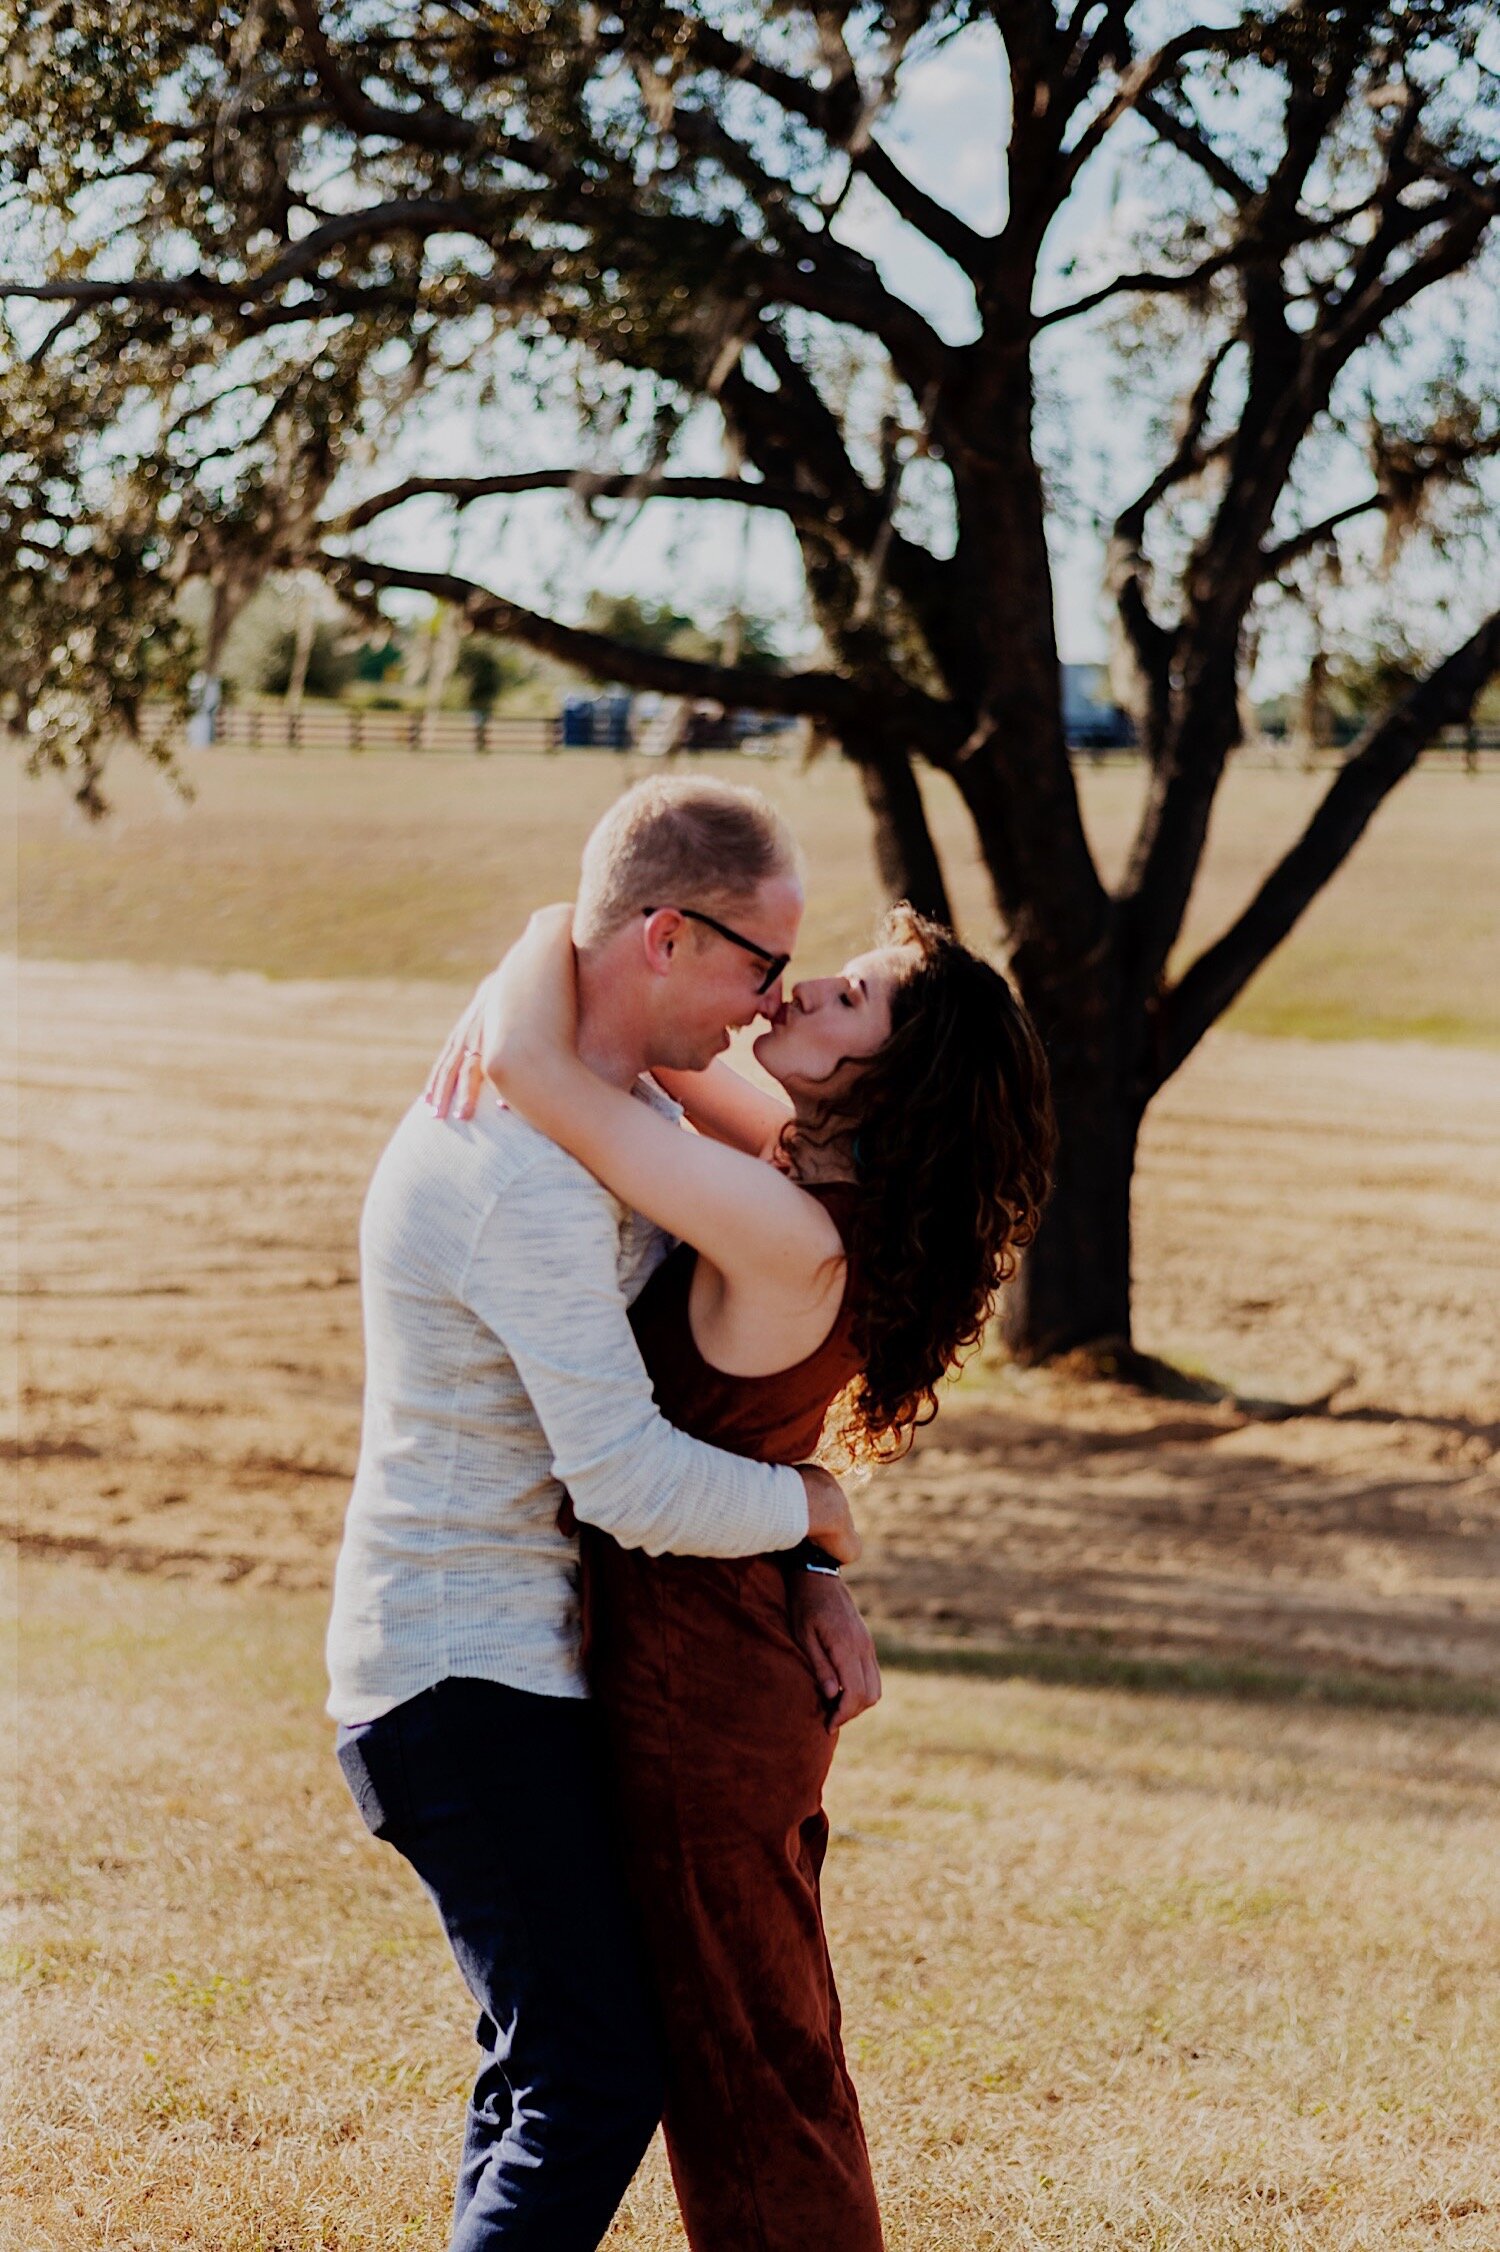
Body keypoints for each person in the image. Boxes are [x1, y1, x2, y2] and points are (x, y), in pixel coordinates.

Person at [431, 891, 1056, 2252]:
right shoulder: (817, 1174)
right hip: (726, 1651)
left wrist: (568, 912)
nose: (809, 988)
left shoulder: (795, 1223)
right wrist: (814, 1543)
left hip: (694, 1689)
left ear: (893, 1074)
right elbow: (635, 1047)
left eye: (852, 1000)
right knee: (766, 2045)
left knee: (750, 2075)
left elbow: (545, 1062)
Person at [326, 776, 880, 2252]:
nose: (771, 1003)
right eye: (761, 963)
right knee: (591, 2072)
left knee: (544, 2063)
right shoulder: (523, 1174)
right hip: (459, 1678)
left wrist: (809, 1560)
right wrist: (812, 1514)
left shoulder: (614, 1098)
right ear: (663, 937)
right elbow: (625, 1479)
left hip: (516, 1661)